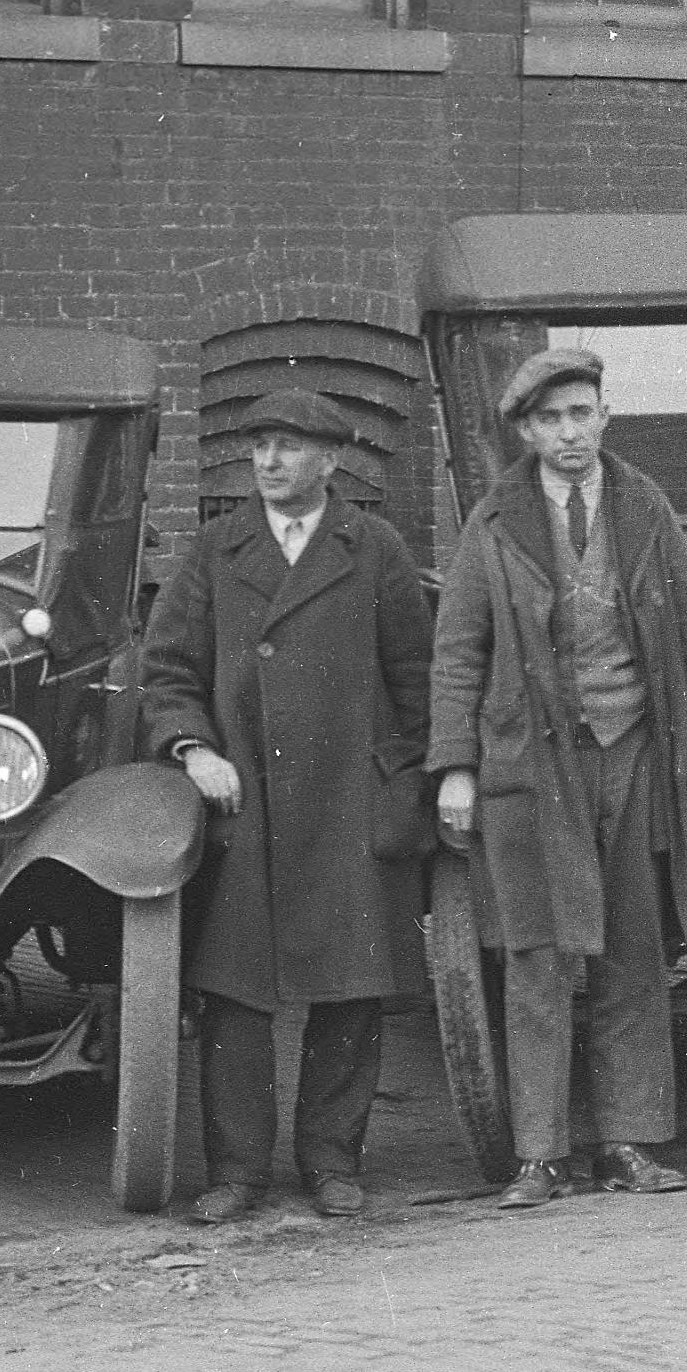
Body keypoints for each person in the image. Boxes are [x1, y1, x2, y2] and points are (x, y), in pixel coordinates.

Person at [430, 341, 687, 1206]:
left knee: (633, 954)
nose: (569, 432)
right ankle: (539, 1154)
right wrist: (454, 766)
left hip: (633, 752)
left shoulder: (645, 506)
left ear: (605, 417)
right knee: (537, 957)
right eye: (550, 419)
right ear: (526, 432)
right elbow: (457, 652)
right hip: (530, 764)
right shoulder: (493, 521)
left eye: (581, 414)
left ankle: (627, 1142)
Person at [129, 386, 435, 1219]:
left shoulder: (374, 547)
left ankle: (332, 1160)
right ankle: (236, 1171)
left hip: (347, 800)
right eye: (259, 444)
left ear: (330, 460)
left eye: (289, 445)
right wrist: (194, 749)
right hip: (246, 802)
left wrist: (400, 779)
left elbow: (417, 678)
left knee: (350, 990)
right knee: (235, 992)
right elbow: (167, 670)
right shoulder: (217, 547)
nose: (267, 460)